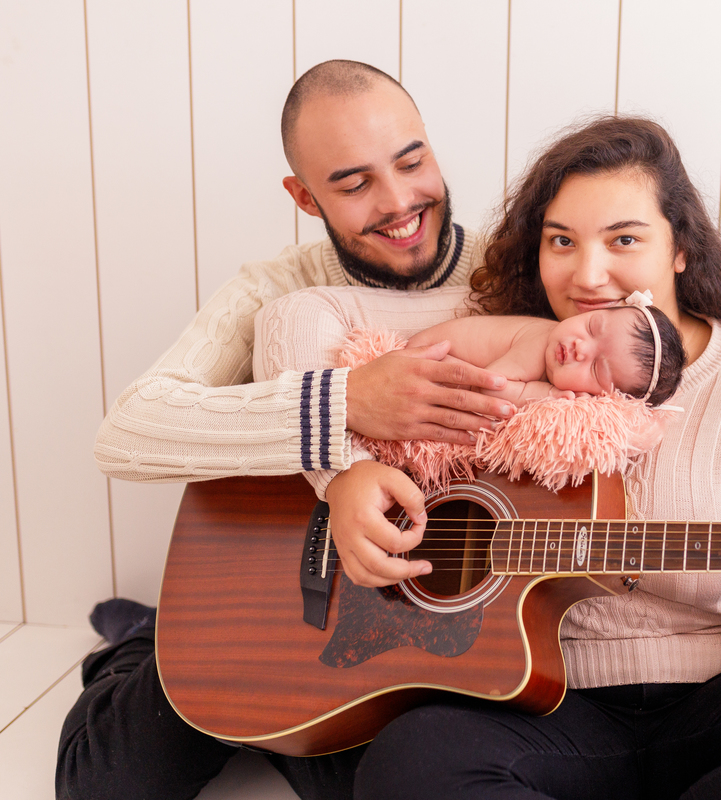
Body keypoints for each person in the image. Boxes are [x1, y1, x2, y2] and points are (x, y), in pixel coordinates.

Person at [261, 116, 721, 798]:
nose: (586, 275)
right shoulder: (506, 343)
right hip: (537, 700)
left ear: (681, 248)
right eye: (560, 241)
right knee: (409, 768)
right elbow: (292, 320)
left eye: (624, 239)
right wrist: (342, 475)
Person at [62, 59, 515, 800]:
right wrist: (340, 406)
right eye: (353, 183)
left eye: (412, 161)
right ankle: (142, 643)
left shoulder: (513, 268)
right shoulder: (275, 288)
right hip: (276, 588)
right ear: (304, 197)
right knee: (107, 785)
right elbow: (128, 430)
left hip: (403, 615)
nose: (401, 202)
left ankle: (264, 712)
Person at [399, 296, 686, 407]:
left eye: (596, 368)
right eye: (592, 326)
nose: (580, 347)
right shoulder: (540, 344)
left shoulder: (559, 350)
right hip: (427, 358)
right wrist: (541, 395)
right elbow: (489, 386)